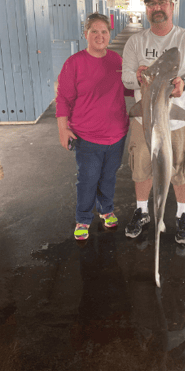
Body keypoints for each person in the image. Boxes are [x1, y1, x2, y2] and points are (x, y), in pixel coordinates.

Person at [122, 0, 185, 244]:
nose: (157, 8)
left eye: (162, 3)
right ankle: (143, 210)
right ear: (146, 10)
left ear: (171, 6)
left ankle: (182, 214)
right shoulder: (136, 41)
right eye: (151, 4)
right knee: (142, 167)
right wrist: (137, 77)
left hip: (178, 121)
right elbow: (126, 79)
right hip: (144, 120)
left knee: (181, 169)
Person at [56, 13, 131, 241]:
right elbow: (63, 99)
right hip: (86, 136)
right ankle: (83, 217)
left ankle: (106, 209)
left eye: (104, 32)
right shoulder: (74, 63)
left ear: (110, 35)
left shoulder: (117, 61)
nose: (99, 36)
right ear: (85, 34)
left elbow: (129, 89)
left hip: (117, 134)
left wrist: (147, 80)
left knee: (109, 176)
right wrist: (62, 128)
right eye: (94, 31)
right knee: (88, 178)